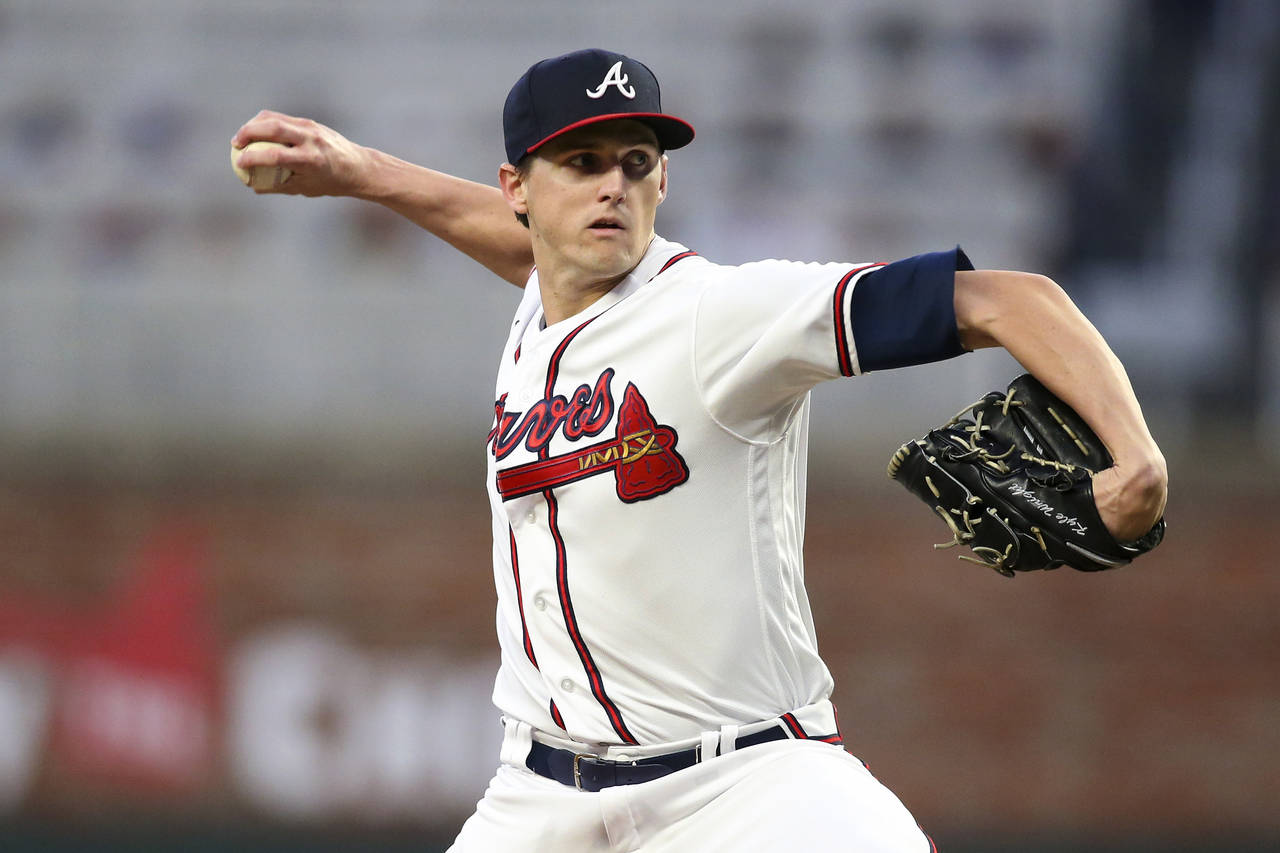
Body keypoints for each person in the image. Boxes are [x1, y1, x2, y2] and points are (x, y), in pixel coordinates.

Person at [233, 48, 1167, 852]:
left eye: (638, 164)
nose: (613, 187)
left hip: (748, 785)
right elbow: (521, 247)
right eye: (582, 161)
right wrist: (358, 172)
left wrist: (1137, 459)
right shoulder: (548, 288)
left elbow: (1013, 300)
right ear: (520, 188)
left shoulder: (720, 314)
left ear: (664, 183)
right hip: (544, 796)